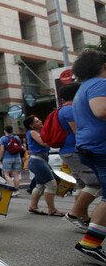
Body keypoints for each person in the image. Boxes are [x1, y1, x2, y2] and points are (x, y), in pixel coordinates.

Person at [71, 49, 106, 266]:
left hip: (90, 147)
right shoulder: (99, 84)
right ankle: (90, 243)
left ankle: (91, 242)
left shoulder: (84, 87)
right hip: (101, 147)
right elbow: (101, 111)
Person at [53, 82, 101, 231]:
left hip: (71, 151)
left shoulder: (64, 109)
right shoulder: (70, 110)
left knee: (82, 184)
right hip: (75, 151)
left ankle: (83, 218)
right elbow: (78, 131)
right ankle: (74, 214)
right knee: (96, 183)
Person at [23, 116, 65, 216]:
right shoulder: (32, 132)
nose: (40, 121)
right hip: (37, 161)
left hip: (40, 160)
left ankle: (33, 207)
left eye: (39, 119)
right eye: (37, 121)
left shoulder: (38, 132)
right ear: (31, 125)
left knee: (40, 185)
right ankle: (52, 210)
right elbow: (43, 142)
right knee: (51, 184)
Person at [0, 125, 22, 196]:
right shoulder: (16, 137)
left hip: (7, 157)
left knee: (6, 174)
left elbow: (2, 150)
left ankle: (13, 191)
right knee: (16, 175)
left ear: (5, 131)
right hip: (17, 157)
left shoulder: (3, 138)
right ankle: (17, 190)